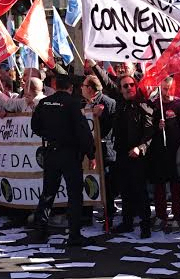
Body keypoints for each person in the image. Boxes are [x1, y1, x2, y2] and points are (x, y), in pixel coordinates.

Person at [30, 73, 96, 244]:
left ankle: (40, 230)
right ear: (71, 88)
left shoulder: (44, 103)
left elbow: (35, 126)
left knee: (48, 193)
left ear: (55, 86)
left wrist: (49, 135)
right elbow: (83, 132)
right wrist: (91, 153)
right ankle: (74, 234)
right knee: (74, 195)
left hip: (51, 151)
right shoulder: (73, 104)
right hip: (70, 154)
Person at [112, 74, 156, 238]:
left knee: (140, 191)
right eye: (125, 86)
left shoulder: (143, 105)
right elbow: (106, 82)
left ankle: (145, 226)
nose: (129, 88)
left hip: (138, 155)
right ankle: (127, 222)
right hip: (122, 153)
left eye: (131, 84)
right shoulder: (120, 103)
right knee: (125, 190)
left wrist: (140, 148)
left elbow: (149, 131)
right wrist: (94, 65)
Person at [148, 77, 180, 231]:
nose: (167, 90)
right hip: (159, 151)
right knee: (159, 185)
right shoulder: (154, 104)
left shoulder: (178, 103)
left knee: (176, 185)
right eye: (164, 87)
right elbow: (148, 126)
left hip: (175, 151)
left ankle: (177, 216)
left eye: (169, 87)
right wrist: (157, 127)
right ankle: (160, 215)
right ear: (160, 86)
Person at [81, 74, 117, 224]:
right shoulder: (82, 103)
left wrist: (101, 117)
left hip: (103, 150)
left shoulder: (108, 102)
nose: (81, 89)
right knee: (88, 180)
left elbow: (112, 126)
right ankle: (87, 215)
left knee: (106, 184)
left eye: (83, 86)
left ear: (90, 88)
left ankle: (109, 214)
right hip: (87, 150)